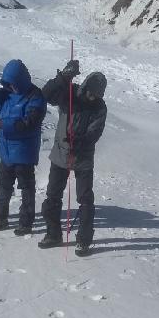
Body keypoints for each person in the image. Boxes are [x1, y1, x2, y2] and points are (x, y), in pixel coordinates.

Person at [39, 60, 107, 257]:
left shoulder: (100, 107)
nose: (92, 97)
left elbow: (95, 132)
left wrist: (79, 144)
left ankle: (83, 241)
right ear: (85, 87)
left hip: (83, 157)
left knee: (85, 200)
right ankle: (53, 234)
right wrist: (64, 77)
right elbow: (46, 95)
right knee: (52, 195)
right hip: (60, 154)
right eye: (91, 92)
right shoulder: (70, 93)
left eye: (97, 95)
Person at [0, 60, 47, 235]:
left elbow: (29, 123)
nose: (12, 87)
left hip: (24, 151)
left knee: (26, 187)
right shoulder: (5, 94)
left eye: (14, 84)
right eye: (9, 84)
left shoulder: (35, 97)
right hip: (7, 151)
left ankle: (26, 222)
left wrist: (3, 123)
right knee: (3, 185)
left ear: (22, 81)